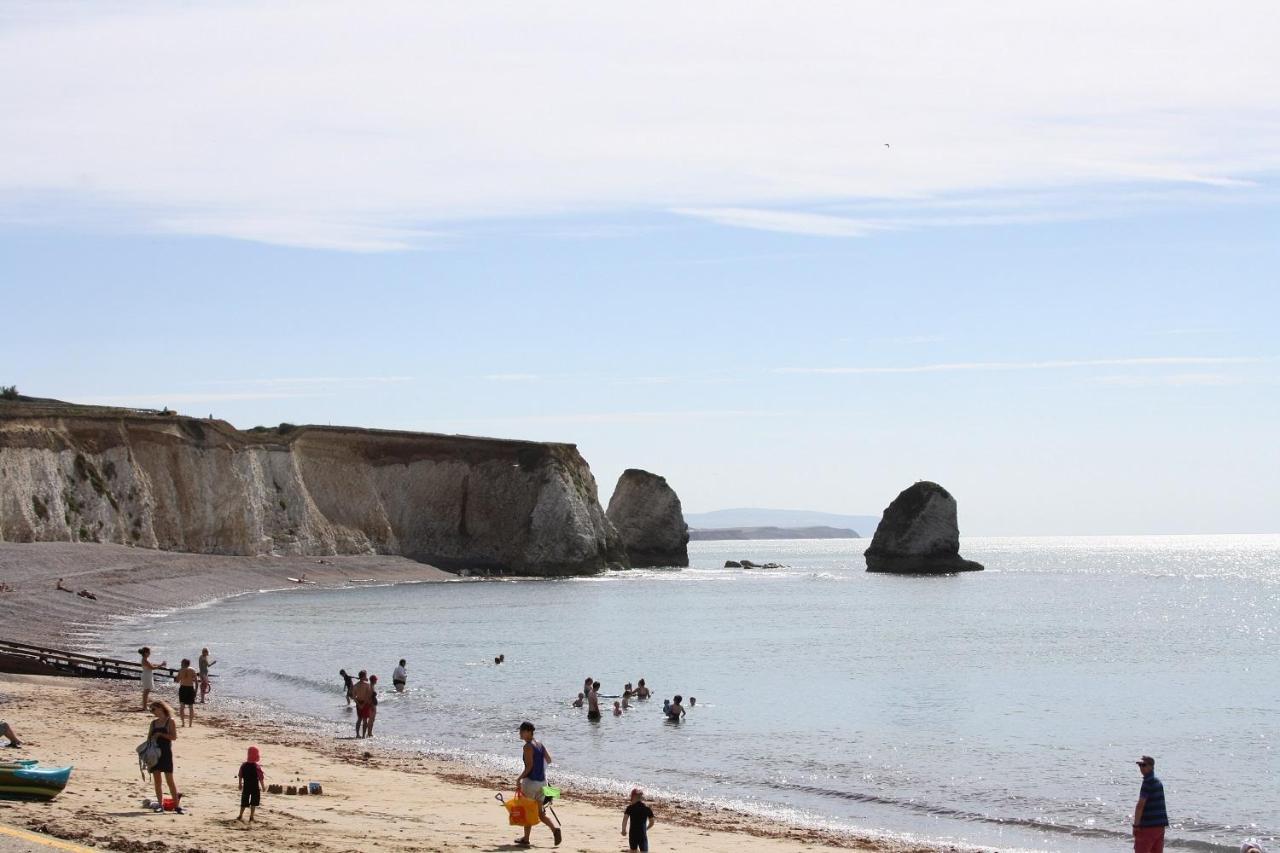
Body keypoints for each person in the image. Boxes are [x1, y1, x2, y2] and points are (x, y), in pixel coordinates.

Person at [515, 721, 561, 847]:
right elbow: (549, 760)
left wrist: (519, 779)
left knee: (527, 810)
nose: (520, 733)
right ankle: (554, 829)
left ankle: (526, 838)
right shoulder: (540, 744)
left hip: (530, 783)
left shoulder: (527, 746)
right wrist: (541, 770)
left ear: (529, 732)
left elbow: (529, 766)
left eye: (522, 731)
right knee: (540, 813)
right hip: (542, 783)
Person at [146, 701, 182, 813]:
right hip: (154, 754)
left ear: (161, 708)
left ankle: (177, 806)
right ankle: (160, 805)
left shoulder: (170, 721)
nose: (153, 712)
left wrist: (161, 735)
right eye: (151, 710)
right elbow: (148, 739)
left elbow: (174, 737)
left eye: (153, 709)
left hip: (165, 752)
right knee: (157, 781)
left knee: (170, 780)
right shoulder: (153, 723)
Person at [1132, 755, 1169, 853]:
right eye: (1140, 765)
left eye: (1143, 765)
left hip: (1148, 826)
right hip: (1160, 826)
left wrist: (1136, 826)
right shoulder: (1158, 782)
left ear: (1151, 767)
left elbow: (1140, 806)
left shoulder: (1148, 783)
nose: (1141, 768)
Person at [621, 788, 656, 853]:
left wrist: (623, 830)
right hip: (642, 834)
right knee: (644, 851)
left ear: (633, 797)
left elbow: (625, 820)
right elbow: (652, 822)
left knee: (633, 850)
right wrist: (646, 828)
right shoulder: (646, 808)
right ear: (641, 798)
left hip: (633, 834)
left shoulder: (630, 808)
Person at [237, 745, 265, 822]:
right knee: (253, 802)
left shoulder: (243, 765)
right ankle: (251, 817)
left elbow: (240, 775)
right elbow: (260, 778)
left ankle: (240, 815)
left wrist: (240, 784)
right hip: (255, 787)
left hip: (246, 786)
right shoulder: (257, 767)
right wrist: (263, 787)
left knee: (244, 801)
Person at [138, 647, 166, 711]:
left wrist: (160, 664)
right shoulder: (145, 660)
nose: (150, 654)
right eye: (149, 652)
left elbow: (152, 665)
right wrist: (161, 665)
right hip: (146, 675)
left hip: (147, 674)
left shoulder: (145, 659)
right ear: (145, 653)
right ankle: (144, 707)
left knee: (146, 691)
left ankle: (144, 706)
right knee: (146, 691)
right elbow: (152, 667)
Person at [175, 659, 198, 727]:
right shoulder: (193, 670)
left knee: (182, 706)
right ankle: (190, 724)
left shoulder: (181, 670)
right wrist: (196, 691)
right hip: (190, 688)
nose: (181, 664)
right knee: (191, 706)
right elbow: (196, 682)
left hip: (183, 688)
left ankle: (183, 723)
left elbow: (177, 680)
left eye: (182, 663)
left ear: (184, 664)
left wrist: (177, 677)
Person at [351, 671, 373, 738]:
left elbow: (354, 697)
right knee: (365, 720)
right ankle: (363, 735)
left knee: (359, 719)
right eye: (366, 675)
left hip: (358, 703)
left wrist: (358, 704)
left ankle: (357, 734)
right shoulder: (367, 685)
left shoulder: (356, 685)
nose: (366, 677)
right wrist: (363, 704)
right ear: (363, 676)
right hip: (365, 703)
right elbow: (368, 696)